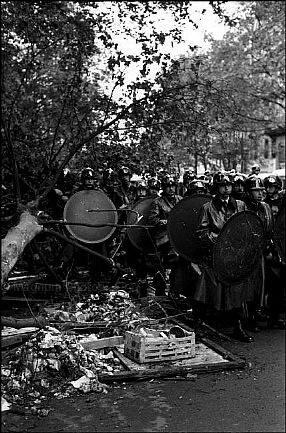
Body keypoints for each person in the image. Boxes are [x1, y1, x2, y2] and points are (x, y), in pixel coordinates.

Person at [193, 172, 259, 342]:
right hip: (215, 256)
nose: (226, 188)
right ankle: (198, 324)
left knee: (237, 291)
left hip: (234, 256)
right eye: (222, 185)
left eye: (228, 185)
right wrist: (220, 239)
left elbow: (246, 226)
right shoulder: (207, 207)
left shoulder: (240, 205)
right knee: (207, 290)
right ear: (216, 188)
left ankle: (238, 327)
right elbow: (202, 233)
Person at [244, 175, 285, 329]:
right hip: (252, 252)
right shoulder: (244, 207)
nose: (262, 193)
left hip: (268, 249)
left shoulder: (265, 207)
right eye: (257, 190)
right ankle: (250, 319)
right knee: (254, 286)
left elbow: (271, 227)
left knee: (276, 282)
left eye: (262, 190)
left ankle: (274, 317)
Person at [148, 174, 182, 295]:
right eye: (168, 186)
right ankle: (163, 291)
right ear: (164, 188)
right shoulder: (157, 202)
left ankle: (177, 290)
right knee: (170, 260)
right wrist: (167, 221)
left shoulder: (180, 200)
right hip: (164, 237)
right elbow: (152, 220)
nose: (171, 189)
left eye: (173, 186)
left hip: (178, 235)